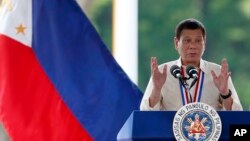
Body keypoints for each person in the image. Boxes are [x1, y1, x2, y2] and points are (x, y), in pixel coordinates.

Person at [140, 18, 243, 111]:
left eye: (198, 41)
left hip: (209, 131)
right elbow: (145, 111)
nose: (193, 46)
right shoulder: (162, 72)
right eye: (187, 41)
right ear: (176, 43)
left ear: (204, 43)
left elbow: (237, 113)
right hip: (170, 131)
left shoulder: (218, 73)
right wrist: (156, 90)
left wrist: (225, 93)